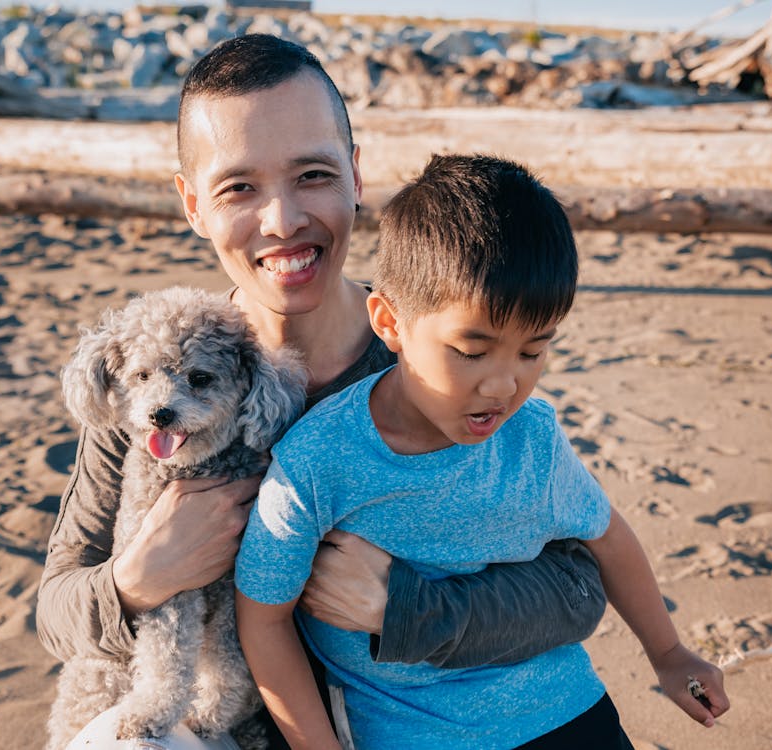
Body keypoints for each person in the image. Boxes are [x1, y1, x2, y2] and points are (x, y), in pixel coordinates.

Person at [37, 34, 607, 745]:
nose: (283, 221)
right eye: (239, 187)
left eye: (311, 175)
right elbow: (55, 609)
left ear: (355, 175)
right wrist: (139, 576)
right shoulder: (155, 395)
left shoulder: (433, 367)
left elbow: (578, 585)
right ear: (192, 205)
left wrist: (409, 607)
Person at [235, 154, 730, 750]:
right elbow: (263, 619)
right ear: (389, 323)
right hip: (413, 734)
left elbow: (608, 536)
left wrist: (669, 653)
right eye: (471, 352)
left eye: (532, 352)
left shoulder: (533, 439)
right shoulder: (318, 460)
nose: (503, 386)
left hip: (566, 710)